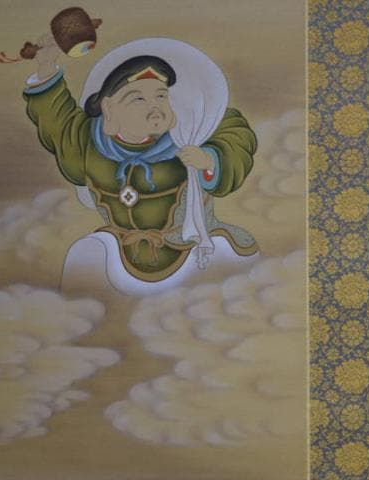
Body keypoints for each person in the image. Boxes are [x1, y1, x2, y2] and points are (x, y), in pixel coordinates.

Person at [22, 33, 258, 291]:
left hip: (191, 248)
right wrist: (46, 67)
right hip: (120, 249)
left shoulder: (190, 134)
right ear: (109, 107)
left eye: (161, 96)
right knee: (83, 258)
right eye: (138, 98)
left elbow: (231, 131)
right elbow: (58, 122)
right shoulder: (89, 143)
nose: (154, 106)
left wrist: (209, 159)